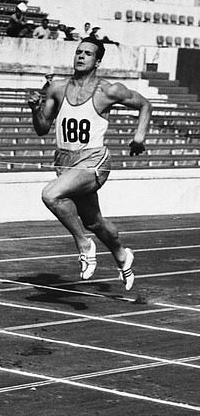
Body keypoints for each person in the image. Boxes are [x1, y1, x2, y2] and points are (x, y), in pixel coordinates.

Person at [27, 37, 151, 291]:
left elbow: (144, 105)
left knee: (51, 194)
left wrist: (139, 137)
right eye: (78, 52)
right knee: (94, 222)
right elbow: (42, 129)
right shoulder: (57, 89)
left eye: (88, 53)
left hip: (95, 160)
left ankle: (84, 245)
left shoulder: (107, 90)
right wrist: (34, 109)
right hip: (65, 160)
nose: (81, 56)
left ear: (98, 61)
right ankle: (122, 255)